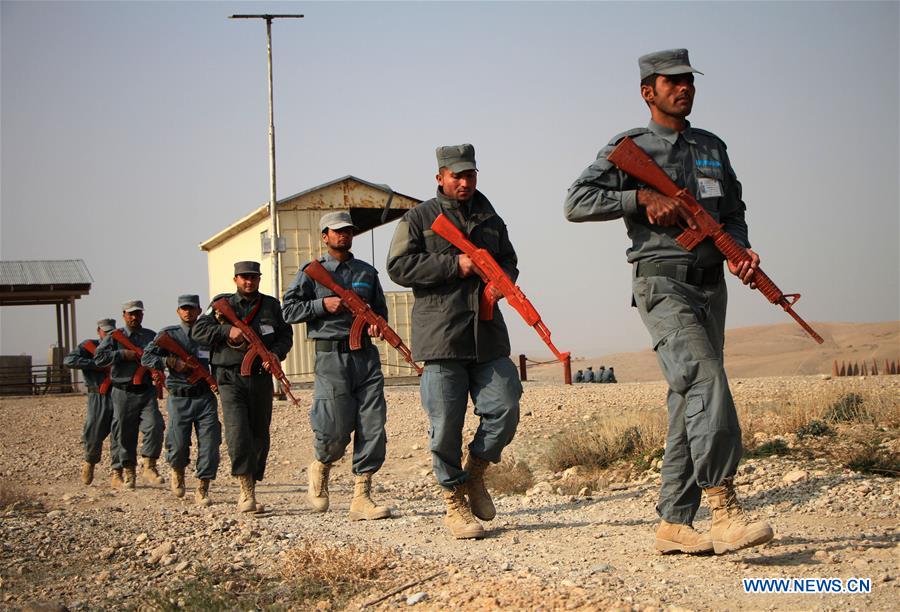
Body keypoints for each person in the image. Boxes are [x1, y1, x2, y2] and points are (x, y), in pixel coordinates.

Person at [564, 49, 773, 555]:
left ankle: (674, 522)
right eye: (671, 81)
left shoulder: (711, 147)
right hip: (662, 282)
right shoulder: (631, 147)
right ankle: (724, 509)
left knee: (687, 396)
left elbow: (734, 210)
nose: (684, 88)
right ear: (647, 92)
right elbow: (575, 202)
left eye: (689, 81)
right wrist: (638, 200)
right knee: (705, 377)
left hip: (711, 282)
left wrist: (739, 248)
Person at [387, 143, 523, 540]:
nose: (465, 182)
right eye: (457, 175)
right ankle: (453, 500)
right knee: (445, 422)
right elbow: (398, 266)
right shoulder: (419, 218)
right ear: (440, 177)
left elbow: (510, 260)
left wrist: (504, 282)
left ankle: (475, 473)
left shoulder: (491, 218)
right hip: (442, 335)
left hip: (486, 334)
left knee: (506, 405)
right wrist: (454, 264)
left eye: (471, 175)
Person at [282, 211, 392, 521]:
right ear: (325, 236)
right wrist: (321, 305)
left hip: (365, 356)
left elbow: (380, 314)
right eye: (337, 231)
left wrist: (377, 328)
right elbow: (288, 310)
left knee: (373, 423)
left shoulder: (367, 272)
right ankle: (321, 464)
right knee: (333, 427)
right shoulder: (311, 272)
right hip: (331, 357)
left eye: (348, 231)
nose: (344, 235)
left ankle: (362, 495)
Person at [191, 261, 293, 512]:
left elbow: (285, 336)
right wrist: (227, 331)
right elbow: (199, 331)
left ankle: (253, 479)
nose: (249, 282)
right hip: (229, 377)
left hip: (259, 377)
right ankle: (245, 489)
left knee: (260, 433)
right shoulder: (222, 304)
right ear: (235, 279)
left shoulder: (270, 306)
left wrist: (275, 354)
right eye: (244, 277)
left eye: (253, 277)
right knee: (238, 433)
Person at [142, 295, 221, 506]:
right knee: (176, 444)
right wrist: (169, 361)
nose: (188, 312)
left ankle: (203, 486)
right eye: (184, 309)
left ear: (199, 310)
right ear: (178, 311)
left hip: (205, 397)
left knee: (211, 443)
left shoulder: (208, 334)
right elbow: (146, 358)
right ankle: (178, 471)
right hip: (179, 397)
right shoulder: (170, 335)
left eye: (192, 309)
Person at [94, 300, 165, 489]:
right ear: (124, 315)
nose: (135, 317)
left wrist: (158, 369)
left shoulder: (150, 336)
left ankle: (149, 465)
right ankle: (128, 470)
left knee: (155, 425)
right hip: (123, 391)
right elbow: (99, 358)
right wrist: (121, 354)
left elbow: (162, 355)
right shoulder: (115, 337)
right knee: (124, 433)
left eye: (138, 313)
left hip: (145, 390)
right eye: (131, 314)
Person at [63, 318, 119, 485]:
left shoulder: (119, 346)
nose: (109, 335)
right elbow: (69, 361)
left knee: (119, 434)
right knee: (94, 432)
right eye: (106, 332)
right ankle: (90, 461)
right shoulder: (89, 347)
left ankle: (118, 472)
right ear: (99, 331)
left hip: (118, 393)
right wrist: (96, 364)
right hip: (98, 395)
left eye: (111, 332)